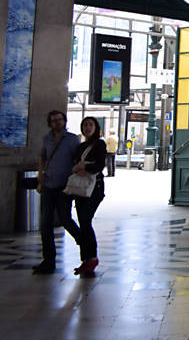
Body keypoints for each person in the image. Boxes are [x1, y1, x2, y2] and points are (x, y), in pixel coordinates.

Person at [34, 110, 82, 274]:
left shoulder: (72, 139)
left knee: (65, 220)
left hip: (64, 186)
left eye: (59, 120)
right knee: (45, 224)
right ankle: (48, 260)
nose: (57, 123)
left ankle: (84, 243)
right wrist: (40, 174)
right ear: (50, 123)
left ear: (64, 121)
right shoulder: (46, 139)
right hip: (48, 185)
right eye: (54, 120)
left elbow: (78, 159)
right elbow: (43, 157)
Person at [72, 116, 107, 277]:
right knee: (83, 222)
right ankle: (85, 259)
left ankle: (91, 257)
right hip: (80, 187)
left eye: (91, 125)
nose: (88, 127)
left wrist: (84, 167)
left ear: (96, 127)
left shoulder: (99, 144)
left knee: (86, 220)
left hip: (94, 187)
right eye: (85, 125)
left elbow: (100, 165)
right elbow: (73, 163)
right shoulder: (80, 146)